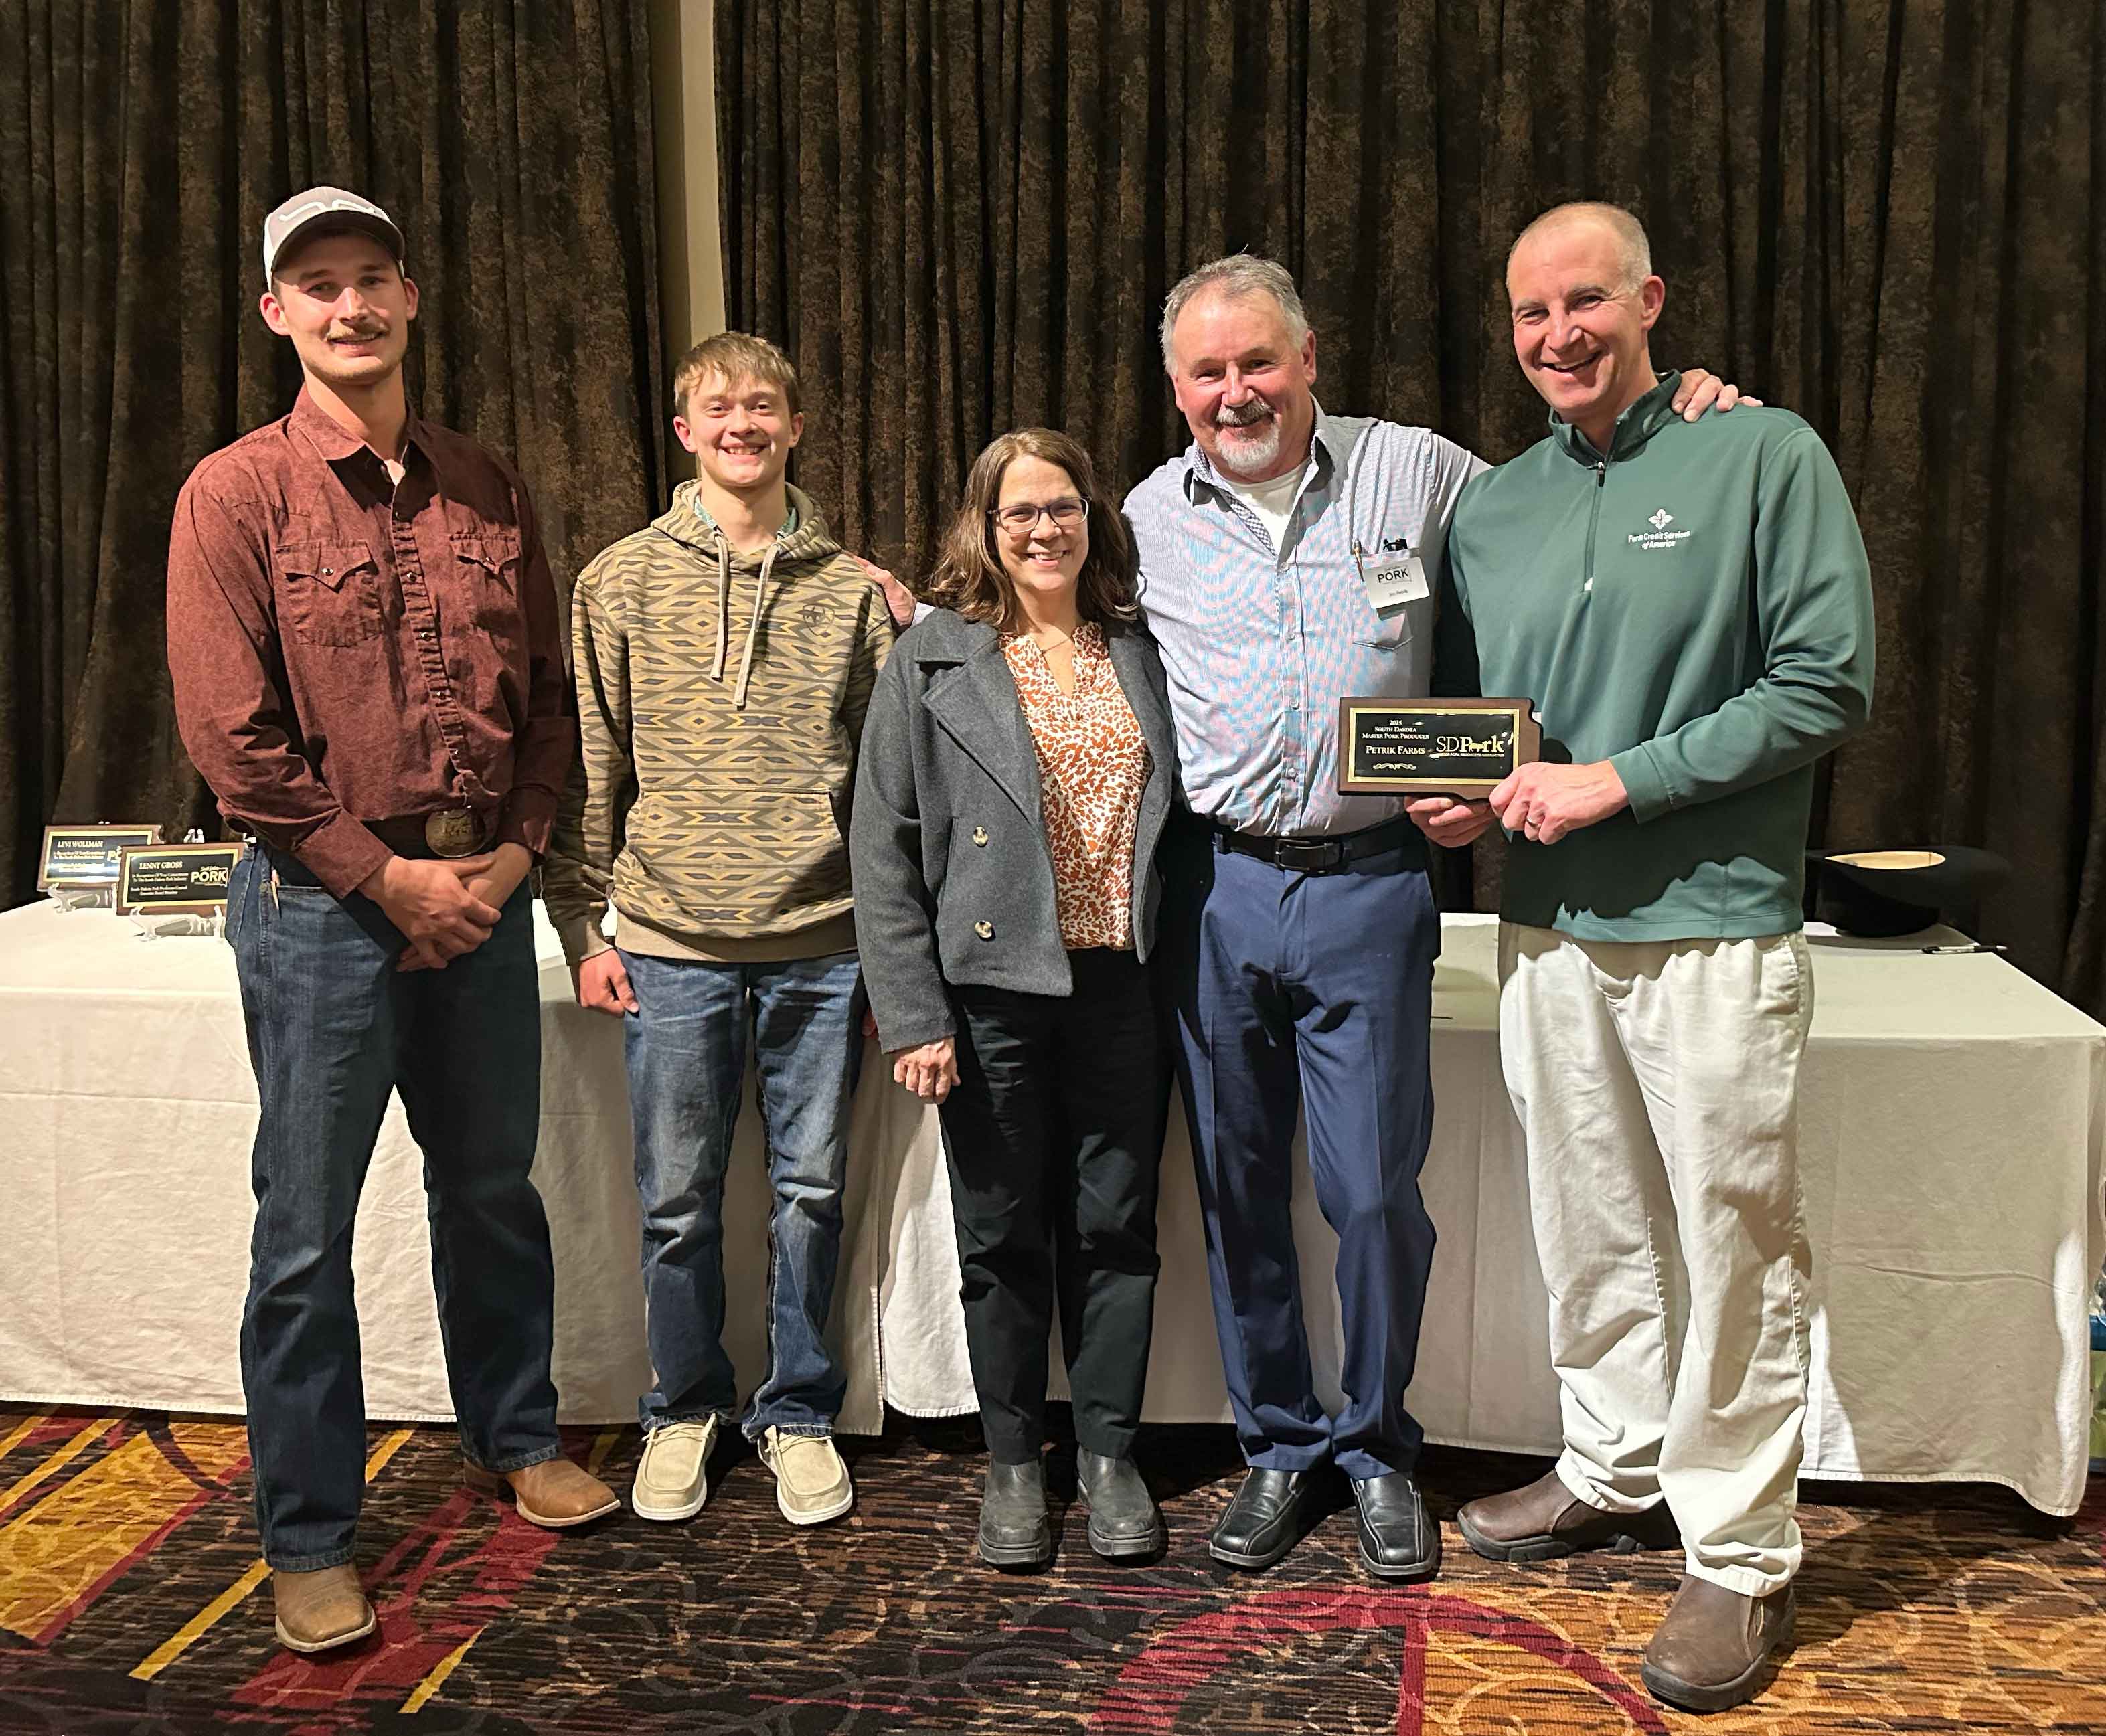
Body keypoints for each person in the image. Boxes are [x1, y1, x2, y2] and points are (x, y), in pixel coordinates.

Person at [1124, 253, 1749, 1581]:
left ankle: (1375, 1447)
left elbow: (1577, 503)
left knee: (1370, 1197)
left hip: (1372, 890)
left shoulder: (1422, 471)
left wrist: (1678, 421)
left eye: (1258, 362)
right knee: (1237, 1190)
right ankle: (1279, 1445)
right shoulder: (1143, 517)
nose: (1236, 391)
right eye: (1207, 371)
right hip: (1218, 890)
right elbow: (1038, 608)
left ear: (1309, 359)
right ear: (1176, 389)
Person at [1416, 201, 1874, 1712]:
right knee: (1588, 1216)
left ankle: (1739, 1552)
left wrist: (1623, 780)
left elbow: (1825, 681)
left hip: (1716, 922)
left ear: (1649, 300)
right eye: (1531, 312)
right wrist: (1456, 791)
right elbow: (1494, 731)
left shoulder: (1760, 453)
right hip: (1545, 928)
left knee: (1738, 1236)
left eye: (1586, 302)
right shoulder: (1492, 506)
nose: (1558, 335)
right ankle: (1608, 1464)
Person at [165, 186, 617, 1656]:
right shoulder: (232, 496)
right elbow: (234, 742)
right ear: (276, 313)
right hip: (319, 913)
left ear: (412, 298)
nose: (350, 308)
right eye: (319, 287)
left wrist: (513, 855)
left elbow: (543, 698)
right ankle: (307, 1532)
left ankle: (517, 1434)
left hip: (479, 896)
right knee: (302, 1236)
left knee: (492, 1191)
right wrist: (387, 877)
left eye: (372, 280)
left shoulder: (490, 483)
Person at [542, 332, 900, 1529]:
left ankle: (798, 1410)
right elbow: (595, 766)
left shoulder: (855, 593)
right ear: (684, 431)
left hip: (822, 943)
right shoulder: (618, 582)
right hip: (667, 945)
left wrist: (889, 949)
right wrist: (584, 925)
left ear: (795, 427)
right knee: (676, 1201)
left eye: (763, 405)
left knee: (811, 1192)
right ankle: (682, 1406)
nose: (741, 421)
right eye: (716, 406)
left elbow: (888, 795)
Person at [853, 428, 1178, 1568]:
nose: (1045, 529)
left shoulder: (1140, 645)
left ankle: (1107, 1454)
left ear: (1094, 514)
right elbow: (882, 850)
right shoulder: (934, 656)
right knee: (999, 1237)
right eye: (1019, 512)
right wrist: (916, 1015)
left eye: (1063, 506)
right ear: (984, 530)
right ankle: (1009, 1460)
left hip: (1121, 987)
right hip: (988, 995)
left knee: (1116, 1230)